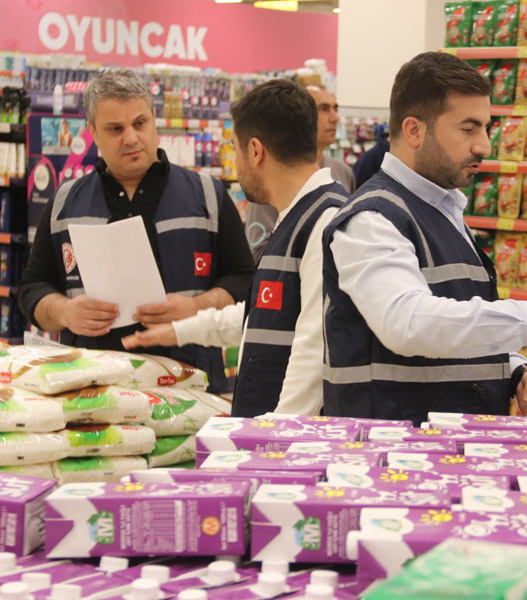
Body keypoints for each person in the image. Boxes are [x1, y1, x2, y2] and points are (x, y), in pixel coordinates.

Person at [321, 52, 527, 425]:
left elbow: (458, 315)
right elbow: (409, 323)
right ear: (414, 131)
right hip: (393, 460)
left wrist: (513, 368)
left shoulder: (443, 209)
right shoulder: (373, 217)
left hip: (443, 453)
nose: (484, 146)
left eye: (486, 128)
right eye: (469, 128)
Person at [18, 68, 254, 393]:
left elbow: (245, 280)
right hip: (92, 393)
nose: (131, 138)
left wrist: (196, 307)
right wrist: (64, 311)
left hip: (191, 387)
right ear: (92, 132)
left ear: (154, 119)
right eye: (115, 129)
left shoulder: (208, 195)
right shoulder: (64, 202)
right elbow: (32, 288)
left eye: (139, 123)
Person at [121, 80, 348, 418]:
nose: (236, 163)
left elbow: (314, 350)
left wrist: (274, 437)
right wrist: (178, 331)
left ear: (255, 151)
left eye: (235, 148)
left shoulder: (323, 221)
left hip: (285, 448)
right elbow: (260, 315)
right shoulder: (295, 217)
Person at [244, 84, 355, 261]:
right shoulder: (271, 174)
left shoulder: (343, 172)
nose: (334, 118)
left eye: (335, 109)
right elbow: (258, 251)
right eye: (323, 109)